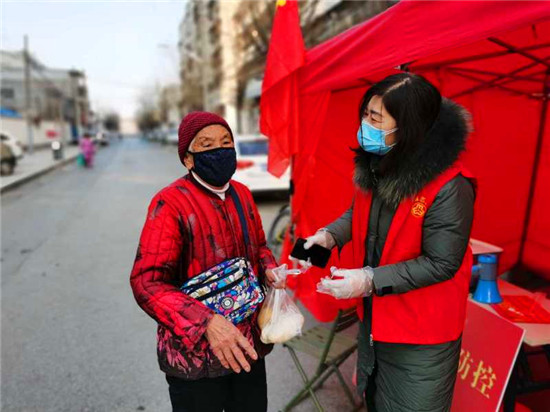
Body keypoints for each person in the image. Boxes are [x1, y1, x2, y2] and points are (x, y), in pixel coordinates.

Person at [307, 73, 475, 411]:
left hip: (421, 334)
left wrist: (369, 279)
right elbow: (358, 214)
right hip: (377, 319)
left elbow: (442, 262)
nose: (365, 125)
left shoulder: (449, 187)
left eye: (376, 118)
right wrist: (326, 237)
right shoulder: (379, 164)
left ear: (408, 126)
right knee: (375, 400)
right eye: (365, 114)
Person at [130, 111, 287, 412]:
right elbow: (147, 283)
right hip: (195, 361)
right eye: (206, 144)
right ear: (188, 159)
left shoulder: (242, 194)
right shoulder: (169, 204)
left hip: (247, 347)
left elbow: (259, 247)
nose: (219, 150)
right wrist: (206, 323)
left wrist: (269, 268)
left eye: (226, 142)